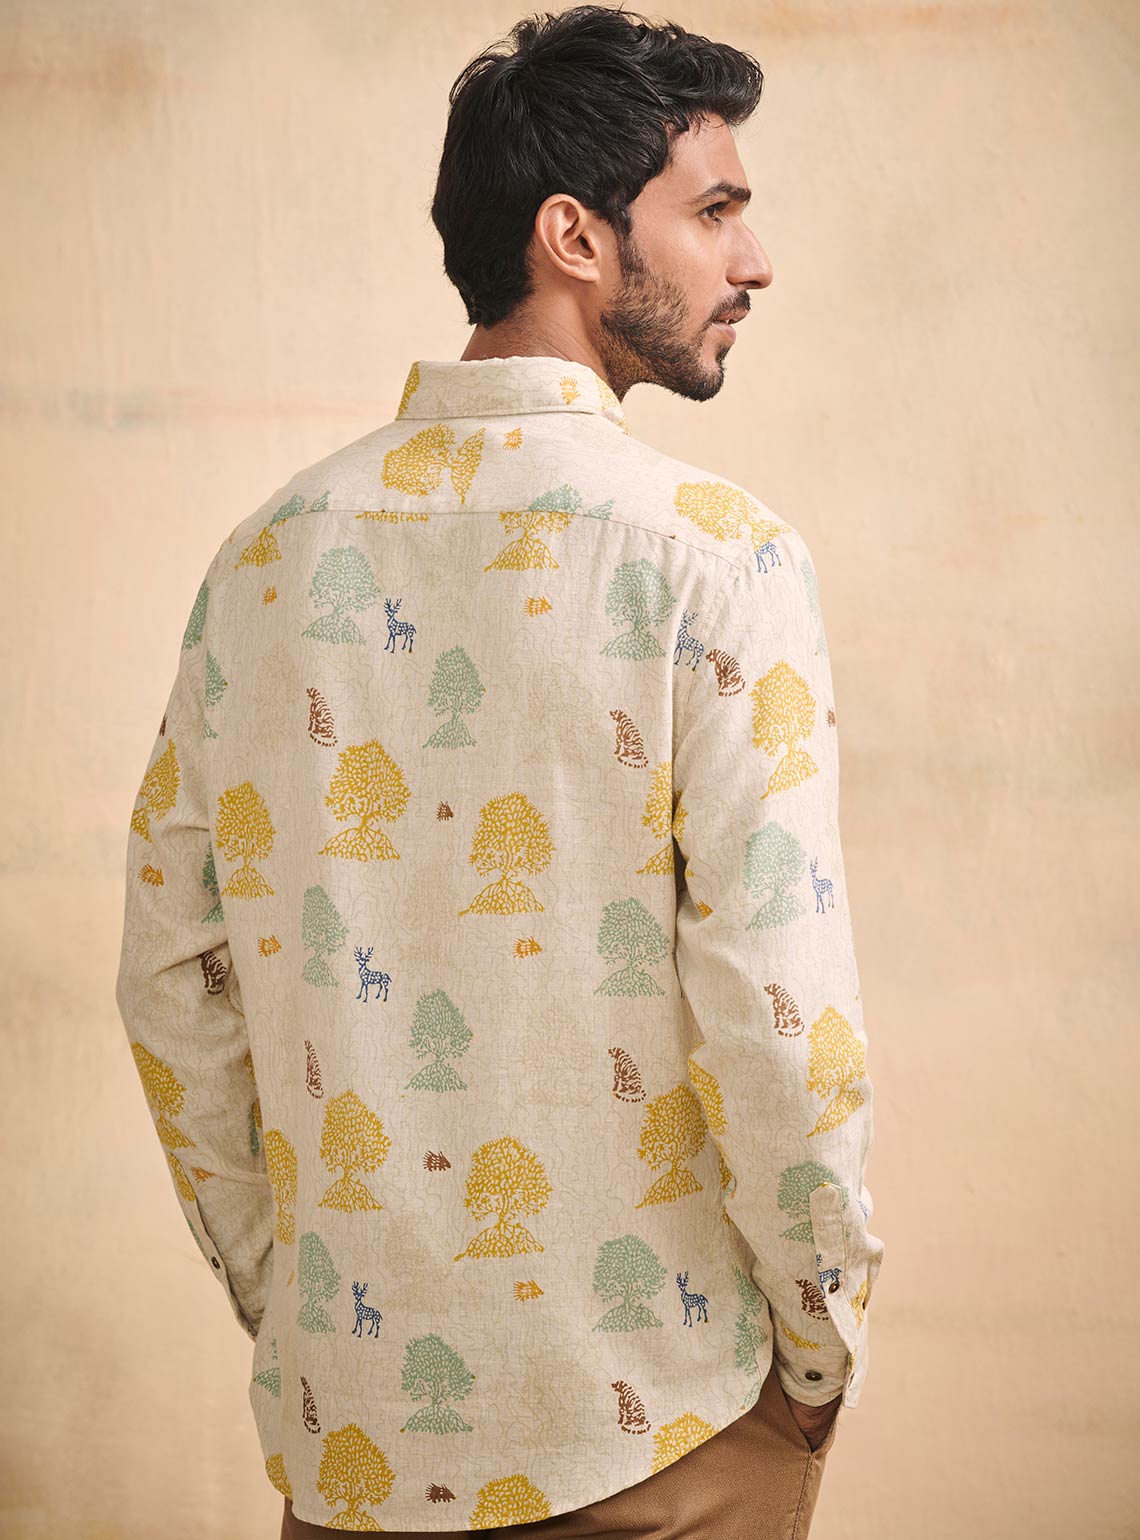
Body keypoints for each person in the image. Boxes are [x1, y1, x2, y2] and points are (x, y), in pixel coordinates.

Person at [114, 6, 884, 1537]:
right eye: (715, 210)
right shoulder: (716, 561)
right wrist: (816, 1349)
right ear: (574, 237)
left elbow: (172, 979)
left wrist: (306, 1314)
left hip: (356, 1448)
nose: (755, 260)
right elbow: (782, 1021)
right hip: (664, 1436)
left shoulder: (265, 563)